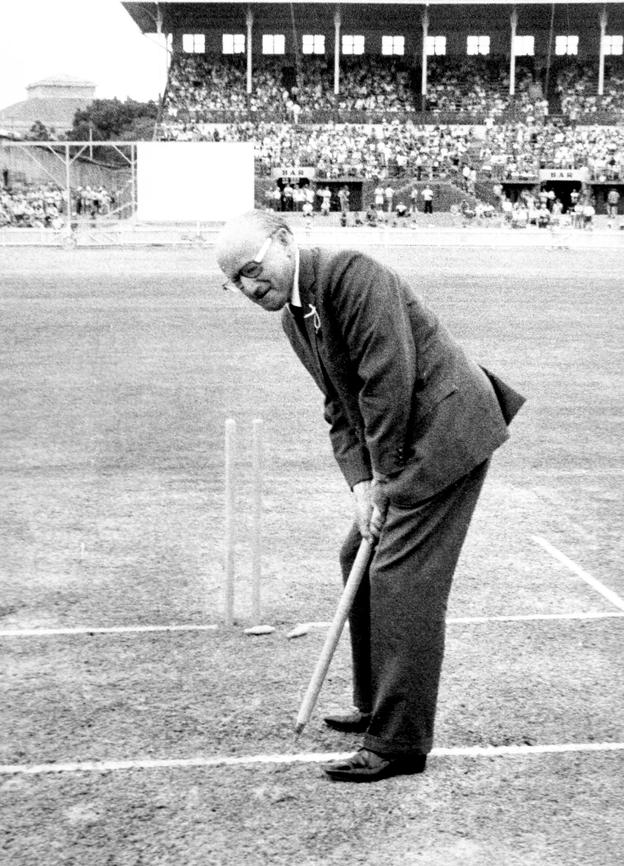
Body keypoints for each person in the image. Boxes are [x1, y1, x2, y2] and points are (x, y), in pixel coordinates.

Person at [215, 211, 525, 783]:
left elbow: (388, 382)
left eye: (253, 270)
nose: (249, 287)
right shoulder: (295, 317)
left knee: (400, 575)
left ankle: (399, 743)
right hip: (404, 444)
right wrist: (361, 485)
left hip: (445, 430)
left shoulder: (351, 274)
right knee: (353, 554)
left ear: (284, 240)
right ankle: (372, 702)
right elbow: (340, 406)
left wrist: (383, 480)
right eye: (235, 282)